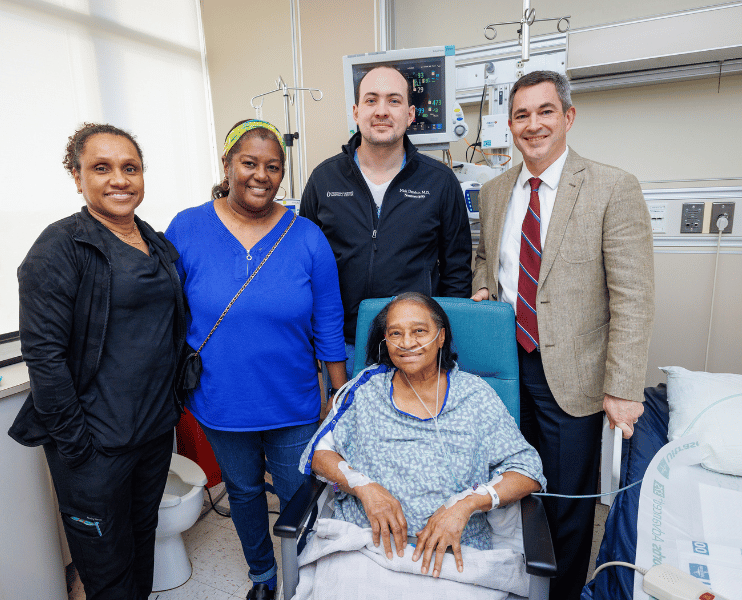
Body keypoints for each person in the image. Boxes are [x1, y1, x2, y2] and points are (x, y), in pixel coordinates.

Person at [472, 70, 655, 600]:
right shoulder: (494, 191)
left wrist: (622, 388)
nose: (534, 125)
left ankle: (560, 594)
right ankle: (514, 583)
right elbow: (486, 260)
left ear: (568, 117)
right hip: (505, 365)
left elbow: (633, 297)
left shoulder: (611, 187)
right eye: (522, 115)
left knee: (567, 502)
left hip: (572, 372)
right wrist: (483, 289)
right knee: (510, 485)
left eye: (545, 111)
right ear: (510, 125)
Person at [165, 119, 347, 600]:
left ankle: (302, 575)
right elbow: (165, 308)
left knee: (297, 493)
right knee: (243, 492)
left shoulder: (306, 236)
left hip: (293, 399)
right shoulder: (187, 228)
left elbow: (329, 317)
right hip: (221, 399)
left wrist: (338, 391)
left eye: (273, 166)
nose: (260, 175)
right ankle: (264, 576)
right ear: (227, 166)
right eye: (249, 163)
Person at [8, 123, 186, 600]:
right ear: (76, 176)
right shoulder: (61, 247)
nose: (119, 180)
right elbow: (42, 355)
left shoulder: (156, 243)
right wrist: (77, 445)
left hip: (151, 434)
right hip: (95, 448)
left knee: (140, 548)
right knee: (107, 575)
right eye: (101, 168)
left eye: (131, 168)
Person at [300, 293, 544, 580]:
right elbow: (318, 452)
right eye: (395, 333)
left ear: (441, 337)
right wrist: (364, 487)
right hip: (367, 550)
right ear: (385, 341)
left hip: (456, 558)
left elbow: (528, 470)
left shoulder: (475, 396)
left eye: (419, 331)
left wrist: (465, 505)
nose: (406, 343)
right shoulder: (365, 390)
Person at [300, 65, 473, 378]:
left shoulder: (440, 182)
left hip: (414, 348)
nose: (381, 111)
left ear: (409, 114)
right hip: (340, 347)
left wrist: (437, 343)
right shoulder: (324, 179)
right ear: (355, 112)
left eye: (393, 101)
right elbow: (303, 267)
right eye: (371, 100)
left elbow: (457, 271)